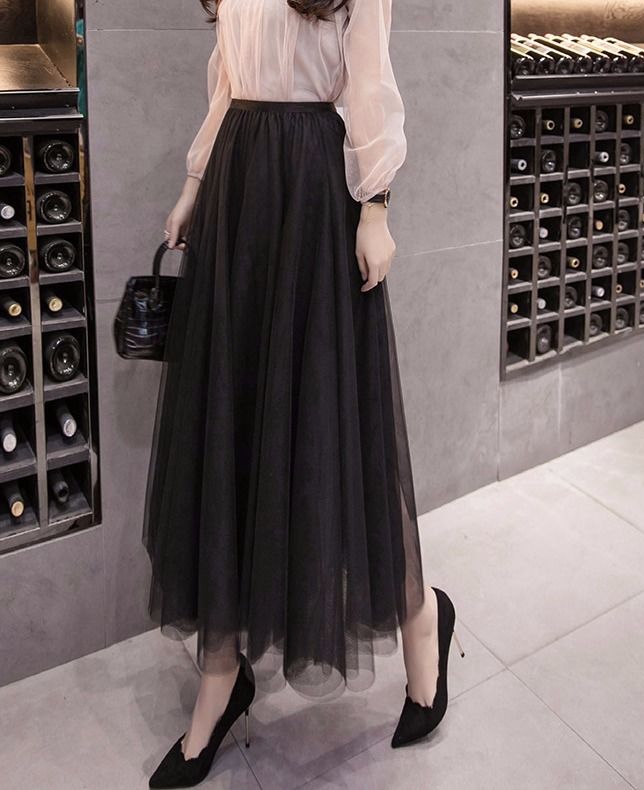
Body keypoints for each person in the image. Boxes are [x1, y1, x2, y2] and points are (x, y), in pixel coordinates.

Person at [142, 1, 464, 786]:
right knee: (233, 426)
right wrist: (194, 183)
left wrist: (376, 205)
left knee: (340, 425)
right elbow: (227, 81)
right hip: (240, 191)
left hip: (316, 194)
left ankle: (421, 616)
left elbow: (370, 82)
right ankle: (223, 670)